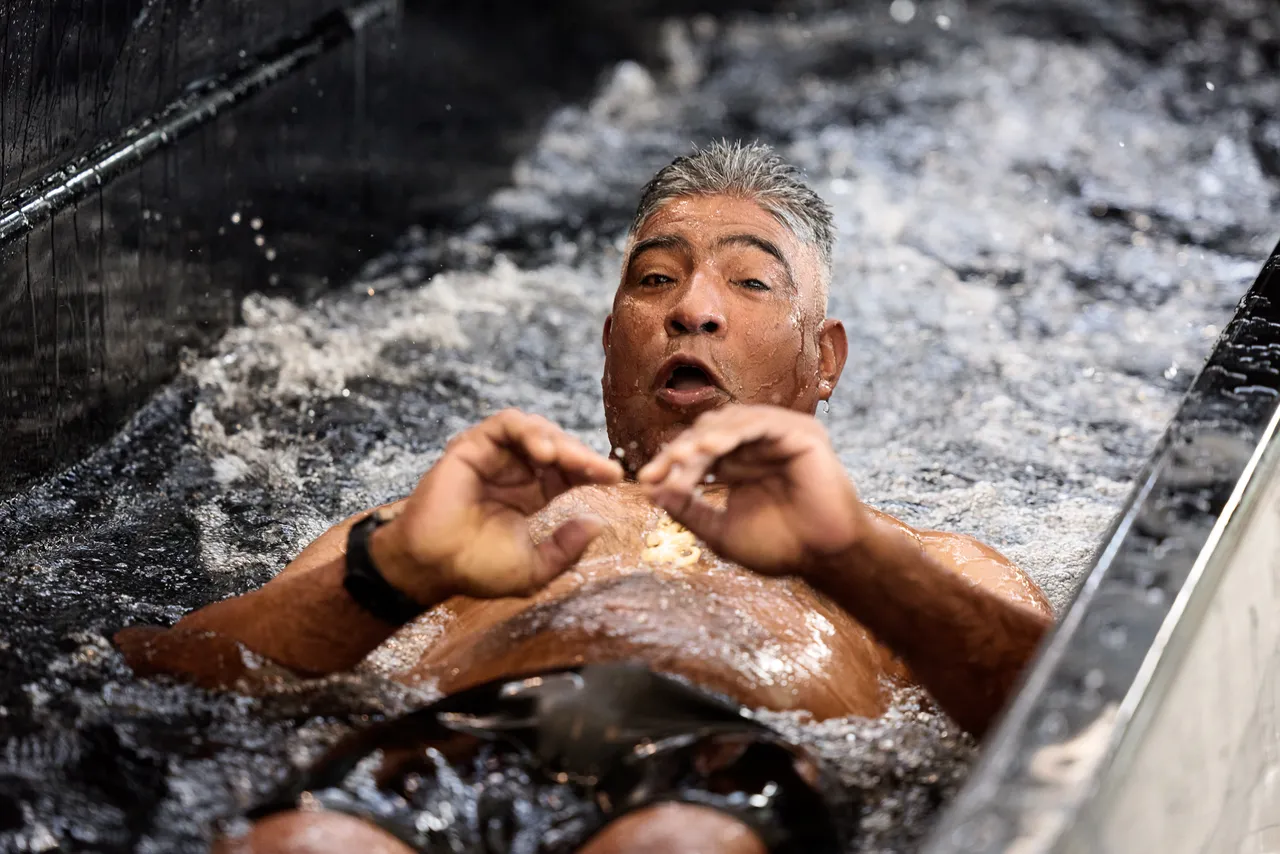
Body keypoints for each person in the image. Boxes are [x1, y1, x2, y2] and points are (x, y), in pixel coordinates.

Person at [115, 141, 1052, 854]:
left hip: (723, 765)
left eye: (751, 280)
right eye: (656, 279)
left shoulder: (919, 565)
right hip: (463, 731)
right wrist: (392, 574)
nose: (692, 306)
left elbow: (1081, 733)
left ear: (826, 360)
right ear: (612, 342)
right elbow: (151, 674)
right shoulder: (454, 527)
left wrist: (849, 560)